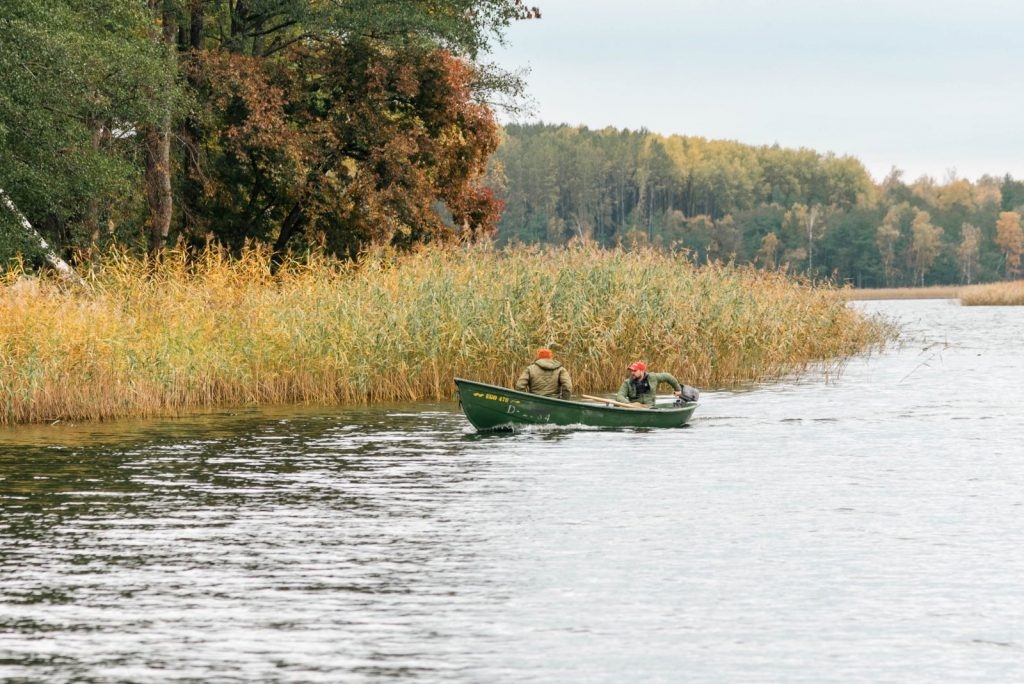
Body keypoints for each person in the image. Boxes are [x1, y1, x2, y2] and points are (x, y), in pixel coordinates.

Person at [615, 361, 683, 407]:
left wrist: (678, 389)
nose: (632, 373)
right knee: (616, 404)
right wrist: (630, 404)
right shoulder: (627, 383)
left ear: (642, 371)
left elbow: (668, 376)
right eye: (631, 371)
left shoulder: (653, 377)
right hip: (633, 408)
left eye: (635, 371)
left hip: (649, 407)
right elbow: (619, 396)